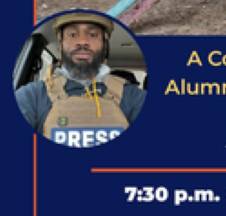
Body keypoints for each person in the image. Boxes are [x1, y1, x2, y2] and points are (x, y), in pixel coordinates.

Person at [15, 12, 146, 147]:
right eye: (72, 35)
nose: (82, 41)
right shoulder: (31, 96)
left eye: (92, 35)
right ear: (61, 44)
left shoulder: (134, 97)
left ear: (105, 45)